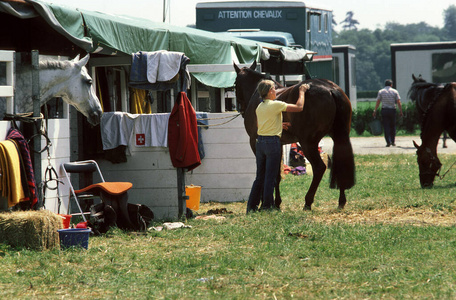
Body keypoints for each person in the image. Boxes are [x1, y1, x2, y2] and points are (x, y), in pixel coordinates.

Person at [246, 80, 309, 213]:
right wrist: (302, 91)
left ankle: (251, 206)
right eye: (274, 89)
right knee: (270, 176)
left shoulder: (259, 106)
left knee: (260, 177)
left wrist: (277, 124)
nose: (275, 91)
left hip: (260, 143)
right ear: (269, 92)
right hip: (272, 144)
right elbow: (299, 107)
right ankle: (267, 207)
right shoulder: (276, 105)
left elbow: (259, 125)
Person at [373, 79, 403, 147]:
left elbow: (378, 102)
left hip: (384, 110)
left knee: (386, 126)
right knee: (393, 126)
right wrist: (401, 111)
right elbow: (398, 102)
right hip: (392, 110)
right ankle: (393, 141)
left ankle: (388, 142)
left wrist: (375, 110)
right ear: (391, 85)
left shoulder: (381, 92)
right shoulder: (395, 91)